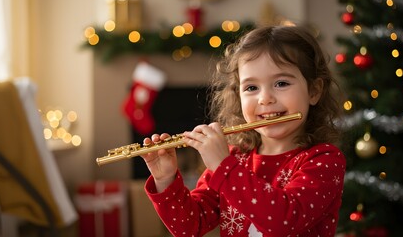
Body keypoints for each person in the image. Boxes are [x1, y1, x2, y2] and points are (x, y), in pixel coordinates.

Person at [140, 25, 346, 236]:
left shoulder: (324, 160)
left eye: (281, 83)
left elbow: (283, 222)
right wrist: (165, 179)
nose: (265, 98)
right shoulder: (233, 158)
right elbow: (189, 227)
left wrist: (224, 167)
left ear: (314, 91)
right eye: (251, 88)